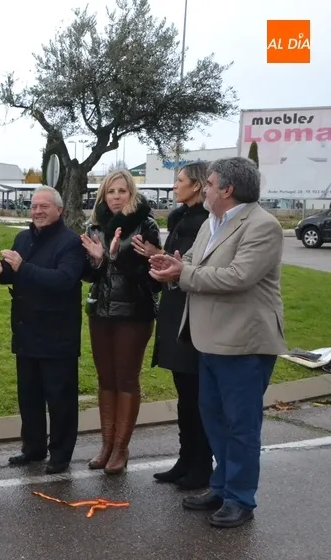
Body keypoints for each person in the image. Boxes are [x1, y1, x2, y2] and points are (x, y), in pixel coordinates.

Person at [149, 156, 285, 529]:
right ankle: (221, 485)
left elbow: (238, 276)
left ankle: (241, 498)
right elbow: (190, 262)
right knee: (213, 418)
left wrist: (184, 273)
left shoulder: (263, 225)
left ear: (226, 189)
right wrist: (170, 267)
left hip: (244, 342)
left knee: (240, 425)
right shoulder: (212, 222)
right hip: (207, 340)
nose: (204, 188)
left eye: (208, 184)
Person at [0, 185, 86, 474]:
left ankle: (61, 455)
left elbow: (63, 279)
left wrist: (21, 267)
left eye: (44, 207)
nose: (37, 211)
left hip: (58, 335)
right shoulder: (23, 238)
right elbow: (14, 274)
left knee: (60, 399)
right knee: (29, 397)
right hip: (26, 331)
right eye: (34, 206)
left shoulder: (70, 243)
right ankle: (33, 448)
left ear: (59, 211)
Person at [133, 162, 212, 490]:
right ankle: (185, 458)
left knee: (196, 395)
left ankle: (201, 465)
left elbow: (194, 264)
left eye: (179, 180)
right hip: (173, 306)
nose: (175, 185)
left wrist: (159, 254)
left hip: (193, 314)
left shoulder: (206, 221)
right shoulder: (179, 217)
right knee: (183, 393)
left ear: (196, 185)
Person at [79, 169, 161, 475]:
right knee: (105, 379)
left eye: (122, 191)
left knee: (126, 378)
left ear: (132, 194)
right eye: (111, 191)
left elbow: (152, 279)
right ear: (103, 194)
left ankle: (121, 448)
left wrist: (116, 257)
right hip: (100, 312)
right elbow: (87, 274)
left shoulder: (145, 225)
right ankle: (106, 444)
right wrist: (99, 260)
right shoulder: (95, 225)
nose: (116, 197)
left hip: (134, 313)